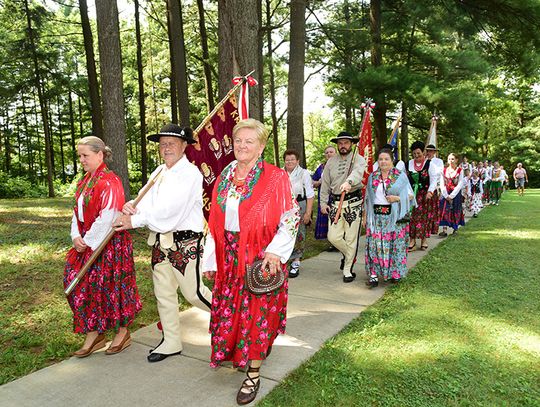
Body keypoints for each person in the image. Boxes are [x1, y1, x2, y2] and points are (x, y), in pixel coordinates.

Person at [202, 119, 300, 405]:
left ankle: (253, 374)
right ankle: (238, 352)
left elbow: (291, 217)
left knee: (256, 314)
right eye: (238, 140)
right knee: (233, 312)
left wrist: (275, 252)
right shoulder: (225, 175)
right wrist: (212, 257)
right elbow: (215, 221)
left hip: (260, 255)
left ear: (261, 146)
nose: (242, 146)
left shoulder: (276, 177)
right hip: (229, 256)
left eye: (249, 141)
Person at [114, 123, 212, 363]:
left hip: (185, 241)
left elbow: (170, 213)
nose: (166, 147)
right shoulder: (159, 171)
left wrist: (134, 220)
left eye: (172, 143)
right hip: (160, 241)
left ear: (184, 146)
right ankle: (171, 341)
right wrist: (132, 206)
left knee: (195, 293)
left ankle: (233, 317)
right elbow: (149, 203)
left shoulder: (190, 174)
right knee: (164, 293)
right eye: (163, 144)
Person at [64, 136, 141, 358]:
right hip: (88, 242)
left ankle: (123, 332)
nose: (82, 160)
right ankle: (95, 333)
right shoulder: (85, 181)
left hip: (108, 244)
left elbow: (108, 217)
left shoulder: (110, 181)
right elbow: (76, 212)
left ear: (99, 155)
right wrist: (76, 236)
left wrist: (87, 242)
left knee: (113, 289)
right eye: (80, 156)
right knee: (82, 287)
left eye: (85, 155)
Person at [363, 148, 415, 287]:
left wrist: (396, 198)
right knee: (374, 246)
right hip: (376, 217)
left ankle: (394, 273)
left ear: (392, 160)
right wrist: (365, 217)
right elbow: (368, 199)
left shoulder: (400, 176)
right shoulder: (373, 177)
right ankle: (373, 274)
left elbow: (411, 196)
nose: (383, 162)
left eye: (386, 159)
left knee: (394, 246)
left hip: (394, 218)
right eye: (380, 159)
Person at [320, 131, 367, 283]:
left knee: (352, 238)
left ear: (351, 144)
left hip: (353, 203)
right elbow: (325, 184)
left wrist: (350, 182)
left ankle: (347, 270)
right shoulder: (330, 162)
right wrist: (322, 202)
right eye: (340, 143)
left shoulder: (358, 159)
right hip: (335, 205)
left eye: (346, 143)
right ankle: (349, 256)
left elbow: (358, 173)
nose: (343, 146)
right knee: (333, 237)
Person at [284, 149, 315, 278]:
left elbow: (310, 194)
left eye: (292, 159)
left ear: (297, 161)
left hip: (299, 205)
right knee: (284, 232)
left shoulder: (304, 173)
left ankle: (296, 262)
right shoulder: (280, 173)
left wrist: (308, 212)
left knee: (299, 233)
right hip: (284, 206)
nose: (289, 161)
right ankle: (284, 259)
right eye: (287, 159)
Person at [406, 141, 439, 251]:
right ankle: (412, 240)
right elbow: (404, 180)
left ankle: (423, 239)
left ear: (423, 152)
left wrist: (430, 191)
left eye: (418, 154)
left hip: (424, 195)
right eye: (414, 154)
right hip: (412, 195)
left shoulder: (430, 164)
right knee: (412, 217)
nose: (416, 156)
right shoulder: (408, 164)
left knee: (424, 218)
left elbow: (434, 180)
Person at [312, 145, 337, 241]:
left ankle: (338, 241)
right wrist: (318, 182)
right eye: (327, 153)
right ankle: (329, 241)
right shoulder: (321, 167)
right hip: (324, 197)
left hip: (337, 196)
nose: (329, 154)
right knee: (326, 217)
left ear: (335, 153)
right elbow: (312, 182)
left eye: (331, 152)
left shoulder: (341, 165)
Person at [439, 153, 465, 236]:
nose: (451, 161)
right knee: (444, 210)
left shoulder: (460, 170)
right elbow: (442, 183)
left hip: (455, 193)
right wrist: (446, 195)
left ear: (456, 160)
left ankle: (455, 228)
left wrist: (452, 196)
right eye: (449, 159)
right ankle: (444, 230)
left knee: (456, 209)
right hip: (446, 193)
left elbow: (460, 183)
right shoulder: (444, 170)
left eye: (453, 159)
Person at [425, 144, 444, 235]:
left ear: (434, 152)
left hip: (434, 187)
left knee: (434, 208)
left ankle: (433, 227)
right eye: (427, 151)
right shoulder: (424, 161)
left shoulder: (438, 161)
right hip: (425, 186)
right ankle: (426, 227)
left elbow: (439, 173)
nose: (429, 153)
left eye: (431, 151)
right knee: (426, 208)